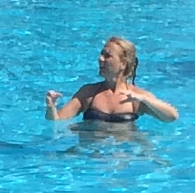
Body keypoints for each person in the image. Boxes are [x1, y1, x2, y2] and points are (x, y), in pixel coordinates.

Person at [48, 36, 177, 126]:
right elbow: (56, 121)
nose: (100, 59)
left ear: (123, 64)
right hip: (91, 152)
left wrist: (145, 100)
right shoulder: (89, 93)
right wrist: (51, 107)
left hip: (124, 151)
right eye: (101, 54)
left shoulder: (136, 97)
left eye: (107, 56)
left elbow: (171, 117)